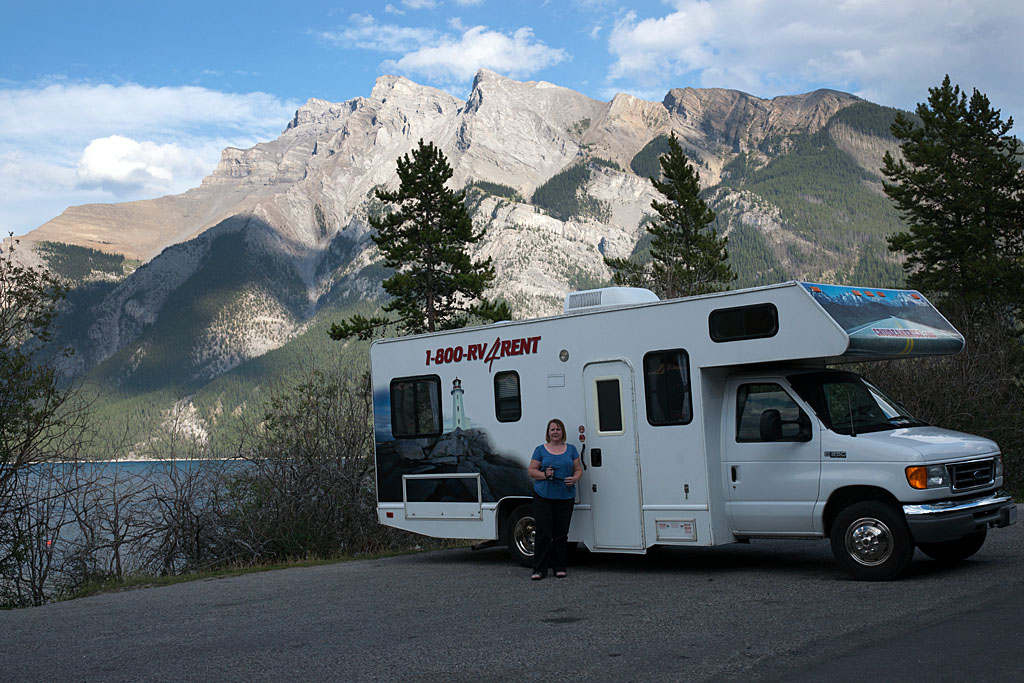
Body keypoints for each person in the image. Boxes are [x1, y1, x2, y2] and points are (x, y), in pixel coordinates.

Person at [527, 418, 582, 580]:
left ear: (562, 432)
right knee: (543, 533)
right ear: (548, 433)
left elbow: (578, 469)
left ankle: (559, 567)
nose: (555, 432)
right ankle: (539, 570)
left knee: (561, 534)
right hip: (543, 496)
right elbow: (531, 471)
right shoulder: (540, 450)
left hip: (565, 496)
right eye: (552, 429)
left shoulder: (571, 450)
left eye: (558, 429)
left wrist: (574, 479)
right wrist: (545, 475)